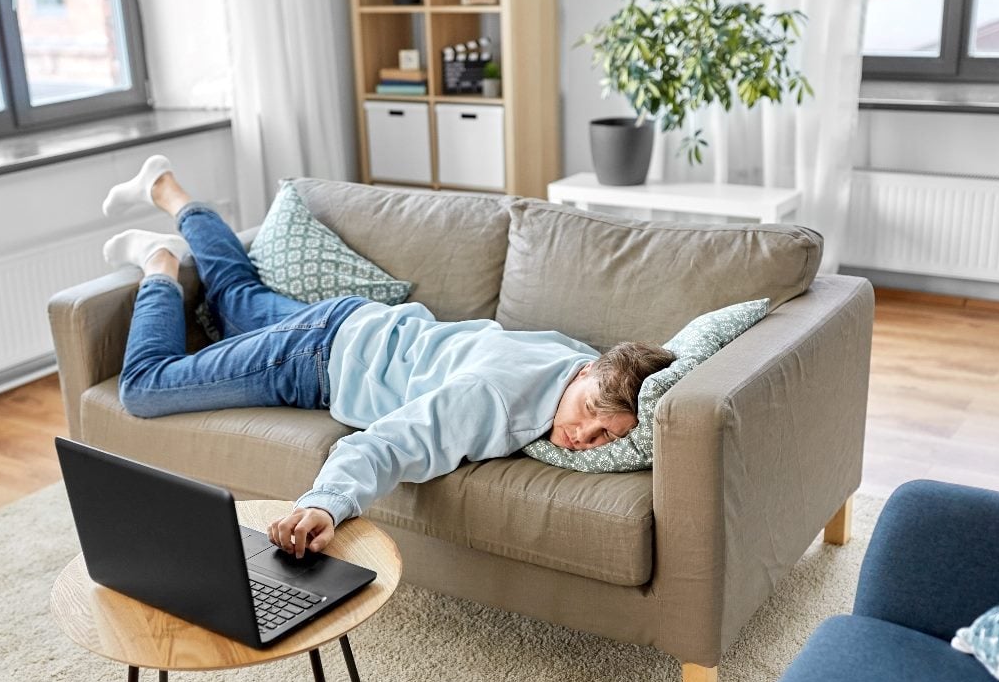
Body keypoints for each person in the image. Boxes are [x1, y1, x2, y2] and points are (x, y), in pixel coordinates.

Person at [100, 156, 674, 559]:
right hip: (316, 358)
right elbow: (390, 443)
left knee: (235, 300)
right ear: (586, 372)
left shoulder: (569, 354)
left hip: (354, 325)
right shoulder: (495, 399)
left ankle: (167, 189)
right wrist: (325, 504)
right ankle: (160, 264)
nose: (582, 436)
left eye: (606, 437)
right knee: (146, 387)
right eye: (589, 413)